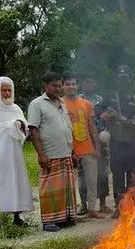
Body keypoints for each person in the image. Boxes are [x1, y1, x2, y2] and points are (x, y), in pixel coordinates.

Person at [0, 76, 33, 229]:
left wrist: (20, 124)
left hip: (14, 153)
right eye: (4, 90)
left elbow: (25, 127)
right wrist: (11, 126)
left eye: (9, 89)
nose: (7, 93)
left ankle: (17, 217)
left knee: (16, 182)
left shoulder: (15, 109)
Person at [27, 72, 77, 232]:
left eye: (59, 85)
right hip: (50, 154)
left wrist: (73, 151)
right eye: (54, 85)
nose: (57, 88)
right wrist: (41, 154)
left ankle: (64, 218)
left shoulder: (62, 103)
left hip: (66, 152)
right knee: (50, 189)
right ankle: (49, 221)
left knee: (66, 188)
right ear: (45, 85)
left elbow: (68, 127)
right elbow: (33, 130)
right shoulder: (37, 104)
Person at [100, 65, 135, 218]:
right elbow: (98, 109)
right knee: (118, 176)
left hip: (134, 144)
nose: (124, 81)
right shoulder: (110, 97)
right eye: (121, 78)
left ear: (131, 79)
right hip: (117, 144)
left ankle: (132, 207)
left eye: (126, 78)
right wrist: (104, 114)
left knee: (133, 176)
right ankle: (119, 208)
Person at [63, 73, 103, 219]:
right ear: (63, 86)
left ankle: (92, 208)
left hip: (87, 148)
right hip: (68, 150)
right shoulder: (60, 104)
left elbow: (92, 126)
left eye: (73, 84)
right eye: (68, 84)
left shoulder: (86, 103)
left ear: (77, 85)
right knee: (70, 182)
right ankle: (71, 210)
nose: (71, 87)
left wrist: (97, 146)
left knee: (92, 180)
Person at [80, 74, 111, 214]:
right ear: (82, 84)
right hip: (82, 141)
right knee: (83, 173)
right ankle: (84, 204)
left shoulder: (101, 100)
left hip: (100, 139)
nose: (90, 84)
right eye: (87, 81)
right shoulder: (77, 100)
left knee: (102, 171)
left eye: (92, 81)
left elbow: (109, 119)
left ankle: (103, 203)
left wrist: (107, 119)